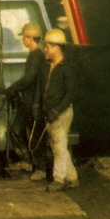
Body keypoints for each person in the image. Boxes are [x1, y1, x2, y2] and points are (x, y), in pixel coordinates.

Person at [0, 21, 47, 172]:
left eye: (24, 37)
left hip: (32, 102)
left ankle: (35, 166)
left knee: (26, 134)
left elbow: (28, 79)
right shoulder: (35, 55)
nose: (23, 40)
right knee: (18, 131)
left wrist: (12, 88)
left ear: (30, 38)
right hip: (28, 101)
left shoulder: (36, 56)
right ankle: (27, 162)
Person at [40, 27, 79, 192]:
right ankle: (72, 178)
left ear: (56, 48)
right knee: (58, 146)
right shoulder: (51, 66)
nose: (45, 49)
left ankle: (58, 179)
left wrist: (57, 111)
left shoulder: (66, 67)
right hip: (51, 112)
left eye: (48, 46)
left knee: (59, 146)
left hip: (61, 113)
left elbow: (71, 93)